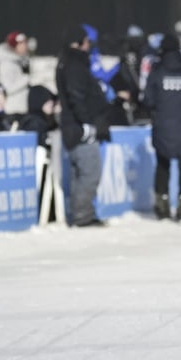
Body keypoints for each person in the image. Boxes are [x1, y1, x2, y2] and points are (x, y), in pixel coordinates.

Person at [144, 33, 181, 221]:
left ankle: (162, 206)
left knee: (163, 166)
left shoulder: (157, 72)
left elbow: (148, 100)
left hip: (163, 128)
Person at [56, 26, 111, 228]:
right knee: (90, 172)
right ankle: (82, 215)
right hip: (80, 128)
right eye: (86, 42)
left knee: (83, 173)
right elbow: (76, 96)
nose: (89, 46)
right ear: (76, 43)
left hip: (75, 126)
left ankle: (82, 213)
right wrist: (86, 123)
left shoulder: (69, 63)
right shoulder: (74, 65)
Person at [0, 31, 32, 116]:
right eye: (21, 44)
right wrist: (27, 79)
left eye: (25, 43)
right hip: (14, 109)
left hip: (22, 107)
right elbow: (7, 88)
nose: (25, 46)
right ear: (13, 46)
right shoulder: (6, 64)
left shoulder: (20, 62)